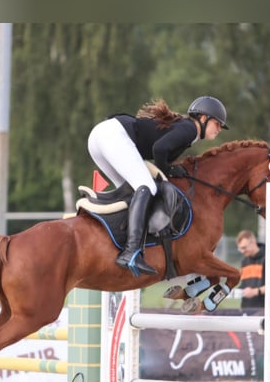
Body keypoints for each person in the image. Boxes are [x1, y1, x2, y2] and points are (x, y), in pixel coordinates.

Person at [87, 96, 229, 276]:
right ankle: (131, 252)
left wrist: (168, 169)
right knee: (148, 186)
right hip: (114, 135)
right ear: (203, 118)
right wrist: (165, 173)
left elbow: (160, 149)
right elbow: (159, 149)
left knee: (131, 190)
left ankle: (117, 243)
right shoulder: (190, 129)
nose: (219, 129)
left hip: (99, 137)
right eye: (217, 124)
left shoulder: (185, 129)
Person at [236, 229, 266, 310]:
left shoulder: (268, 258)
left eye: (244, 247)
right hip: (246, 309)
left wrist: (254, 292)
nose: (242, 251)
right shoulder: (244, 262)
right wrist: (235, 291)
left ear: (253, 242)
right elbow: (245, 285)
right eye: (240, 249)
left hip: (263, 309)